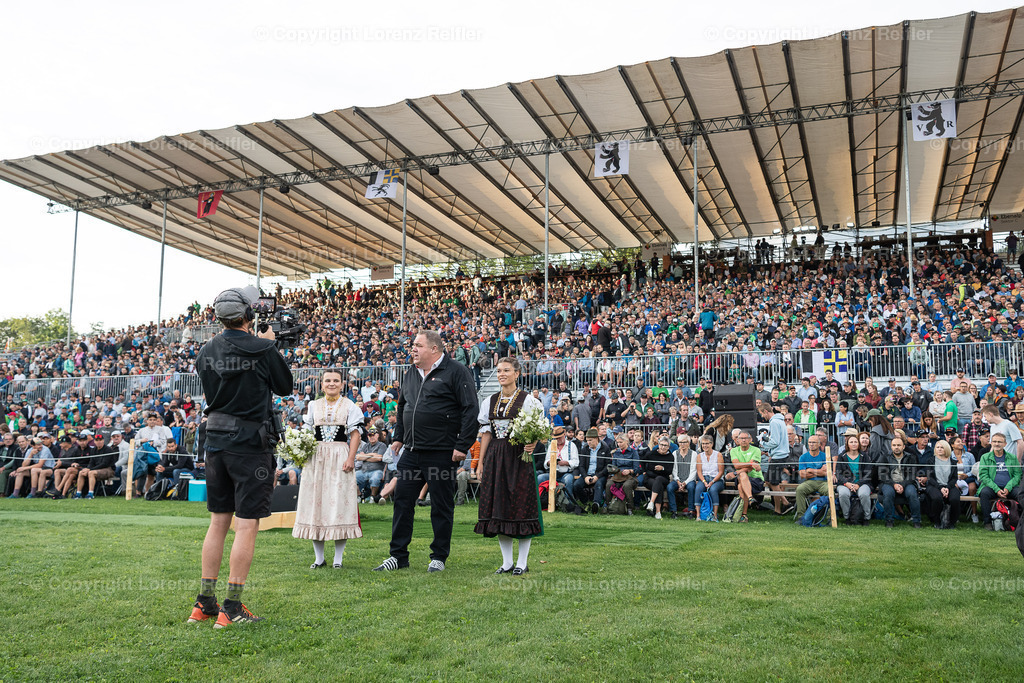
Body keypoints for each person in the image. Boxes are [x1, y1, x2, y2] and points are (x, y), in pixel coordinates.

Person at [190, 285, 294, 627]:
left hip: (216, 441)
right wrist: (268, 344)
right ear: (249, 315)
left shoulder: (206, 350)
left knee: (218, 522)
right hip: (249, 443)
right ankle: (231, 607)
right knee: (247, 524)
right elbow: (285, 387)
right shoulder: (263, 348)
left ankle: (204, 603)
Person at [375, 330, 478, 573]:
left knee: (440, 505)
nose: (413, 349)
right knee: (402, 502)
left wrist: (462, 445)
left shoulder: (456, 371)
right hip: (411, 452)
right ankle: (398, 556)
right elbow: (402, 407)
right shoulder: (410, 372)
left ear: (434, 349)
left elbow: (470, 409)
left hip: (441, 453)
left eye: (418, 345)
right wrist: (399, 437)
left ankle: (439, 556)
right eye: (413, 345)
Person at [474, 357, 545, 575]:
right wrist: (480, 463)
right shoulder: (489, 401)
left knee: (522, 506)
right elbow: (486, 434)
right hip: (496, 457)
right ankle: (506, 563)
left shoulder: (528, 400)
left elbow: (540, 428)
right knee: (499, 507)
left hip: (519, 457)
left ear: (517, 373)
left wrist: (534, 441)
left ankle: (522, 563)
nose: (501, 374)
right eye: (498, 371)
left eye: (506, 370)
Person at [293, 368, 364, 569]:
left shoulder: (350, 405)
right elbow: (306, 432)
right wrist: (300, 451)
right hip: (316, 458)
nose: (331, 384)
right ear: (321, 384)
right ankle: (319, 558)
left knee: (339, 504)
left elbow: (355, 434)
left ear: (342, 384)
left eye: (336, 380)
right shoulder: (314, 405)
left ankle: (338, 559)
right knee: (317, 503)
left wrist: (351, 458)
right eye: (327, 380)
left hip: (340, 456)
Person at [876, 435, 923, 529]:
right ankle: (889, 520)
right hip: (888, 483)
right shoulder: (885, 457)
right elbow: (882, 475)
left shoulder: (911, 457)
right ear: (891, 446)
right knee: (888, 493)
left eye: (898, 445)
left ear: (903, 447)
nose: (896, 447)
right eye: (894, 445)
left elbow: (912, 475)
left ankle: (916, 520)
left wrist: (902, 485)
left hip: (907, 482)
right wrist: (894, 484)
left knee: (912, 494)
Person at [978, 432, 1022, 531]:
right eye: (994, 441)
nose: (997, 444)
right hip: (992, 487)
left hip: (1009, 488)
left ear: (1005, 444)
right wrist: (997, 489)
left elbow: (1017, 474)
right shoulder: (985, 457)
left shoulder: (1012, 457)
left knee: (1020, 494)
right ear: (991, 443)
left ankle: (1020, 522)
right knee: (984, 493)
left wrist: (1008, 487)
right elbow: (983, 476)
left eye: (999, 442)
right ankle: (987, 522)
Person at [923, 439, 960, 529]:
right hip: (934, 485)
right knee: (936, 498)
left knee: (954, 499)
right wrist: (940, 488)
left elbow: (954, 478)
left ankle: (951, 522)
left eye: (942, 447)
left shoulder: (953, 462)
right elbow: (929, 478)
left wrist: (947, 487)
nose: (939, 449)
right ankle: (937, 521)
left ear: (946, 449)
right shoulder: (930, 461)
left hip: (949, 486)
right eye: (937, 447)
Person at [835, 432, 871, 525]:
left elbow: (868, 473)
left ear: (858, 443)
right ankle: (847, 518)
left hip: (862, 483)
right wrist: (846, 483)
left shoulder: (864, 456)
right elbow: (838, 474)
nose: (854, 444)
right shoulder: (842, 457)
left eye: (856, 442)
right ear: (847, 444)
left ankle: (866, 518)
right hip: (846, 484)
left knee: (864, 494)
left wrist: (858, 484)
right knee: (843, 493)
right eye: (851, 442)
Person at [729, 430, 763, 522]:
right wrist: (750, 463)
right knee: (743, 475)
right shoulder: (734, 451)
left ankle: (743, 515)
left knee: (741, 485)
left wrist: (736, 473)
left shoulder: (756, 450)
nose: (743, 440)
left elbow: (750, 469)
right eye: (741, 438)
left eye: (746, 438)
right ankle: (750, 498)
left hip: (756, 479)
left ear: (750, 439)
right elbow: (736, 465)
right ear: (738, 440)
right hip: (742, 477)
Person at [794, 435, 830, 518]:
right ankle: (801, 517)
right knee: (800, 489)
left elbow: (826, 473)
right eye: (809, 442)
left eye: (814, 442)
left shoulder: (825, 456)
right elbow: (802, 475)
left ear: (819, 444)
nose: (811, 444)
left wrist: (810, 470)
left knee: (829, 490)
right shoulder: (803, 457)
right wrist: (820, 471)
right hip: (809, 482)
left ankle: (829, 517)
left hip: (823, 482)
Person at [643, 436, 675, 519]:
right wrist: (643, 471)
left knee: (659, 480)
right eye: (661, 445)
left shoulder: (670, 457)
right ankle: (658, 512)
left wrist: (662, 468)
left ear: (669, 447)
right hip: (650, 478)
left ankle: (651, 503)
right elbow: (642, 461)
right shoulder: (651, 453)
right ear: (658, 444)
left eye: (665, 446)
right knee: (658, 486)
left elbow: (669, 471)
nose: (663, 447)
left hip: (663, 478)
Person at [694, 435, 725, 520]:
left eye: (707, 443)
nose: (705, 446)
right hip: (704, 478)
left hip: (716, 479)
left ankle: (714, 515)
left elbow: (721, 472)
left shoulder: (718, 455)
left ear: (712, 444)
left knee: (713, 490)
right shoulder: (700, 456)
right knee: (698, 488)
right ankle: (698, 516)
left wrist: (712, 482)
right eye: (703, 444)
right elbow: (699, 472)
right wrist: (704, 482)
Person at [355, 426, 388, 503]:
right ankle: (359, 496)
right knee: (353, 477)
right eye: (370, 435)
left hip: (376, 470)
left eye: (373, 435)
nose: (371, 437)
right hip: (363, 470)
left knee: (375, 478)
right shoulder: (366, 445)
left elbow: (379, 458)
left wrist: (365, 456)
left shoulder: (382, 445)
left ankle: (372, 497)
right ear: (367, 436)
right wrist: (372, 455)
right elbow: (358, 457)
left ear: (377, 435)